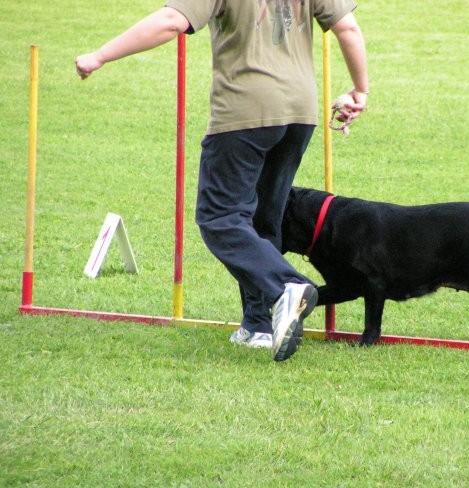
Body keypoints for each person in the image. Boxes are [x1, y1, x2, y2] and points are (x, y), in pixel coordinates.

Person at [76, 1, 368, 361]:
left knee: (220, 217)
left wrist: (100, 55)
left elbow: (170, 21)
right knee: (264, 219)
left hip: (245, 111)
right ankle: (260, 326)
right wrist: (360, 89)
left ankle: (286, 288)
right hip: (300, 112)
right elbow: (348, 28)